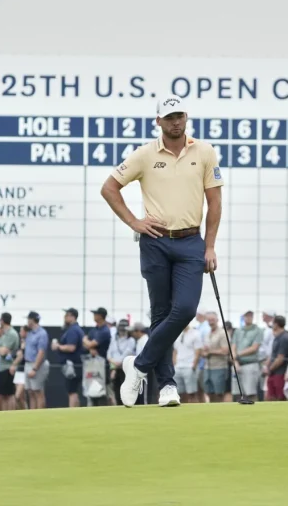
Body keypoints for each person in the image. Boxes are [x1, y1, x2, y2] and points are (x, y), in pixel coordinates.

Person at [101, 94, 224, 408]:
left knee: (183, 310)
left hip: (190, 241)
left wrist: (210, 246)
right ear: (159, 121)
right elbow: (109, 188)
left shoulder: (205, 152)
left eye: (179, 116)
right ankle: (167, 386)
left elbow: (215, 203)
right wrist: (134, 222)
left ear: (186, 117)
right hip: (155, 241)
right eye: (169, 117)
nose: (175, 122)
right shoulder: (144, 155)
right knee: (159, 314)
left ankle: (139, 365)